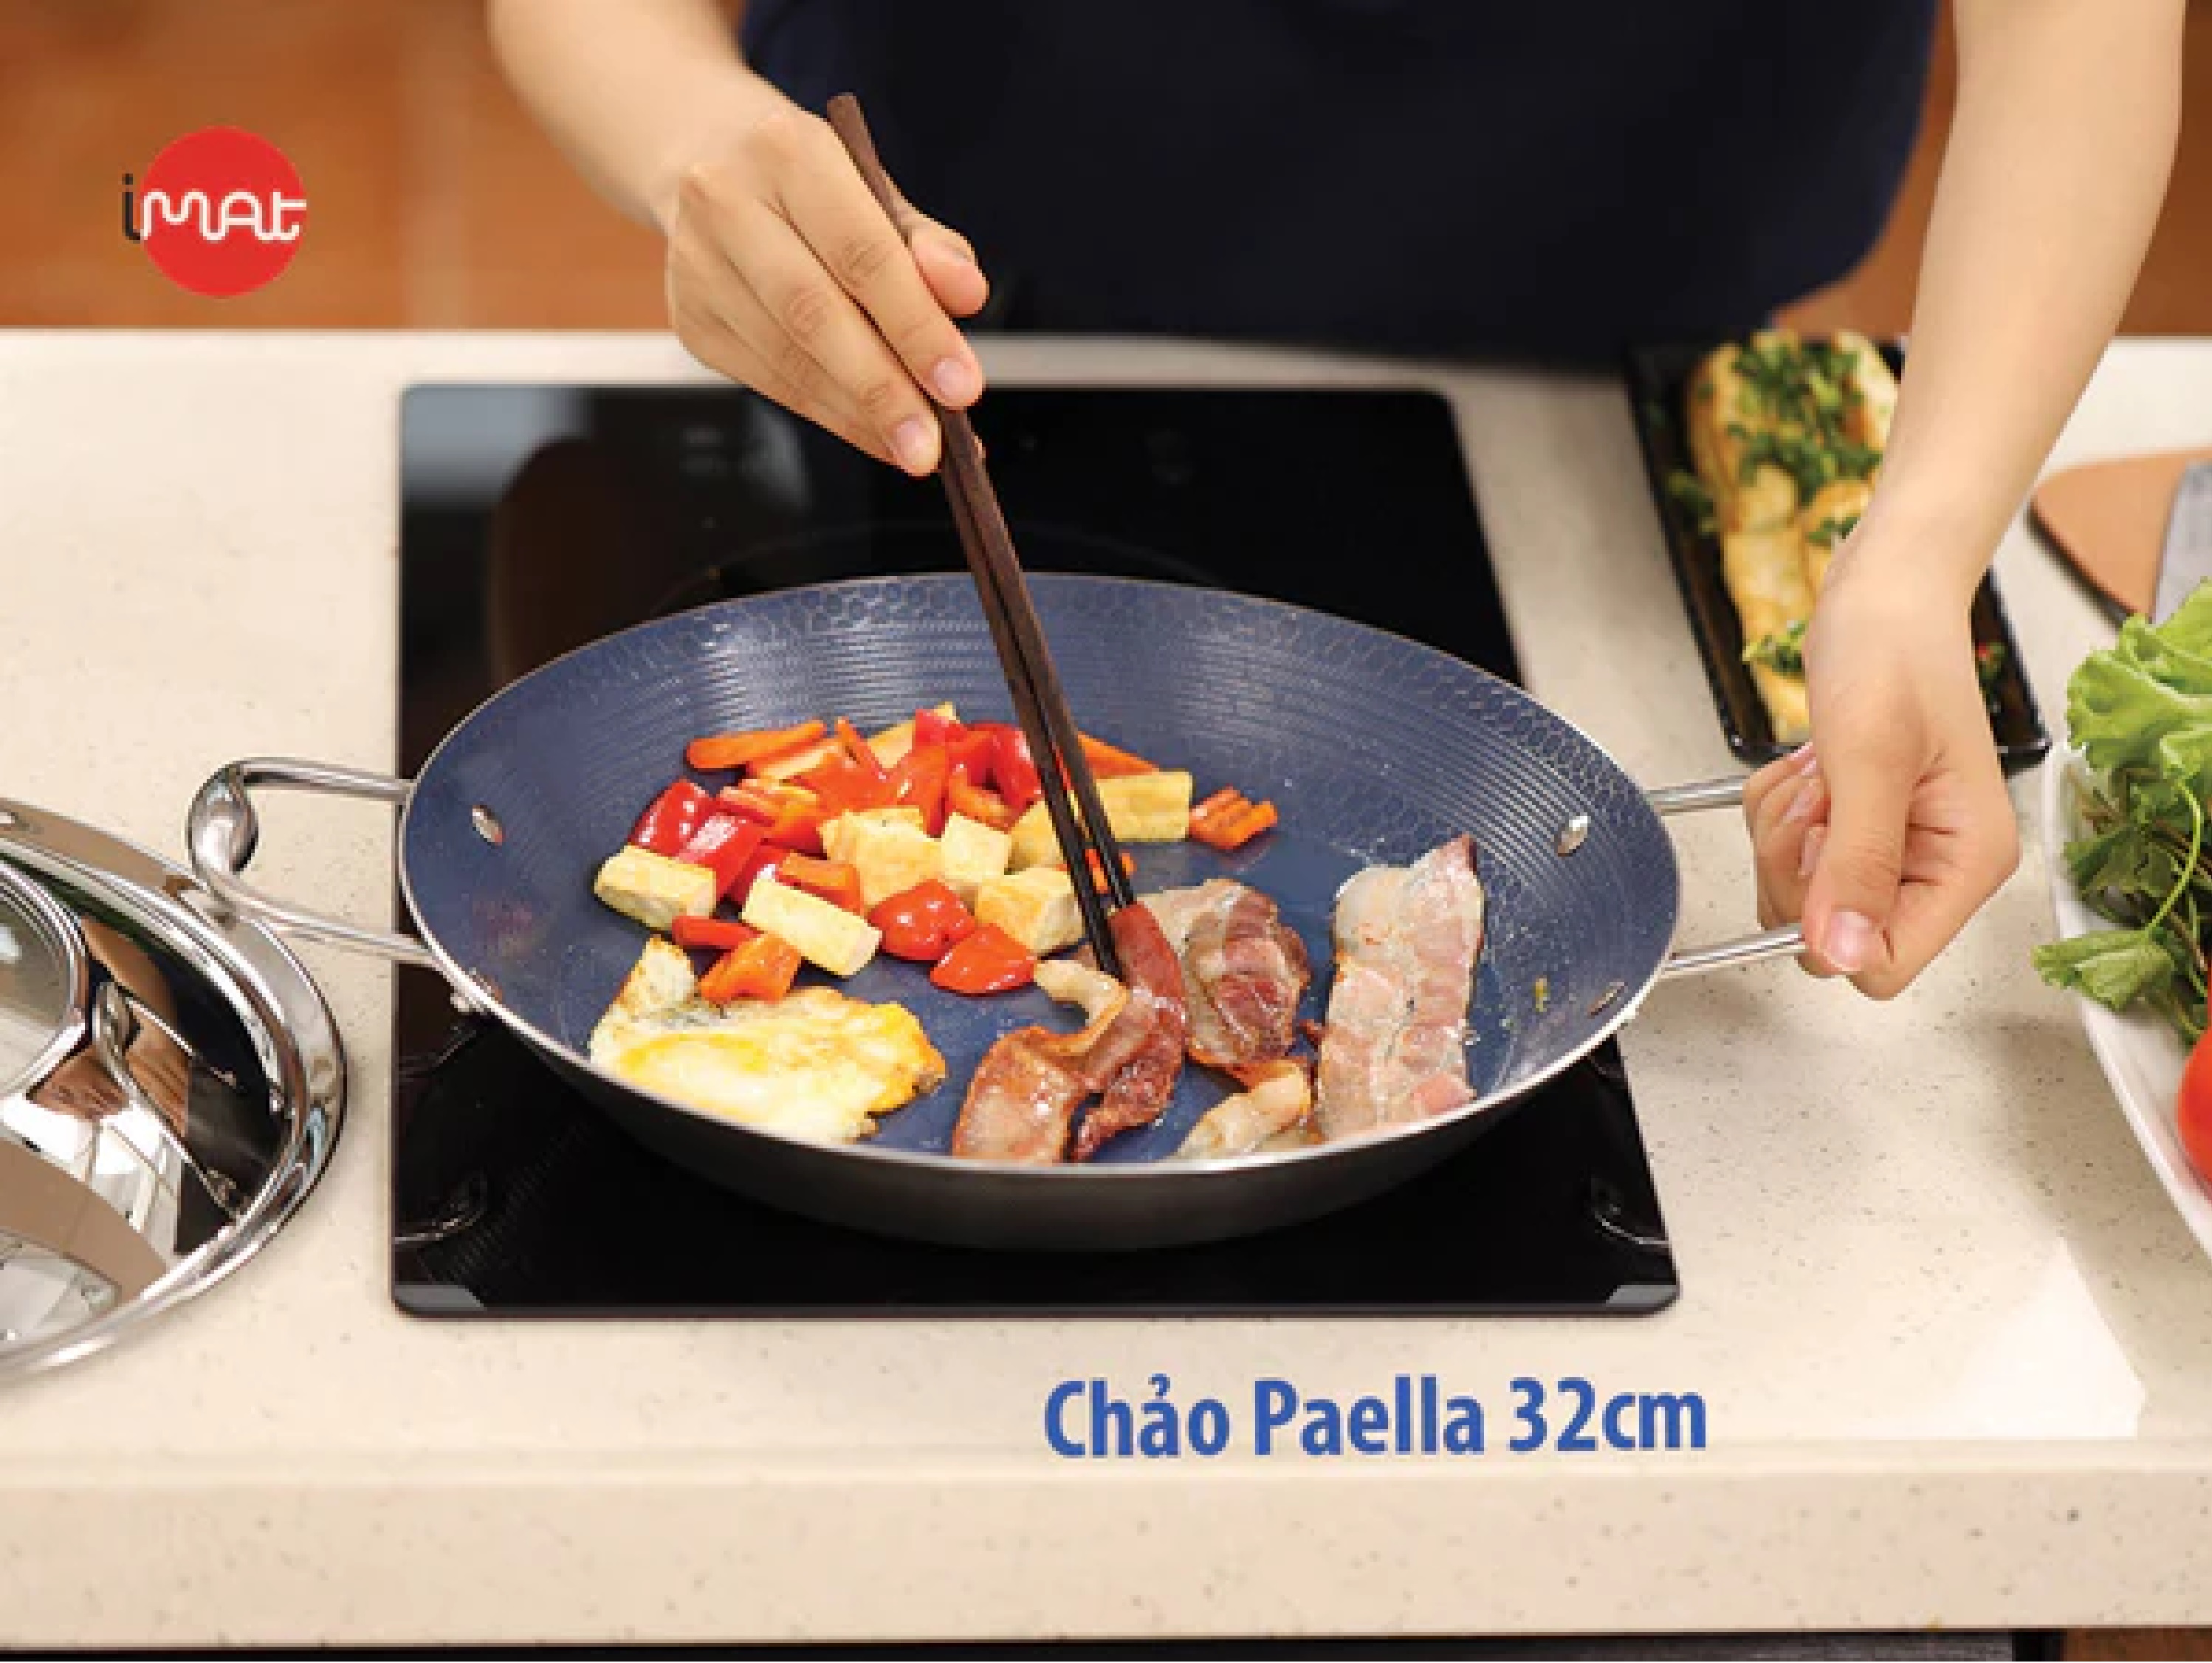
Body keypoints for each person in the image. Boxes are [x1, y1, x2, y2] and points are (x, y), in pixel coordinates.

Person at [489, 0, 2184, 1000]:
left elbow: (2079, 36)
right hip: (939, 331)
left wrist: (1920, 541)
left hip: (1622, 359)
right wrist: (690, 134)